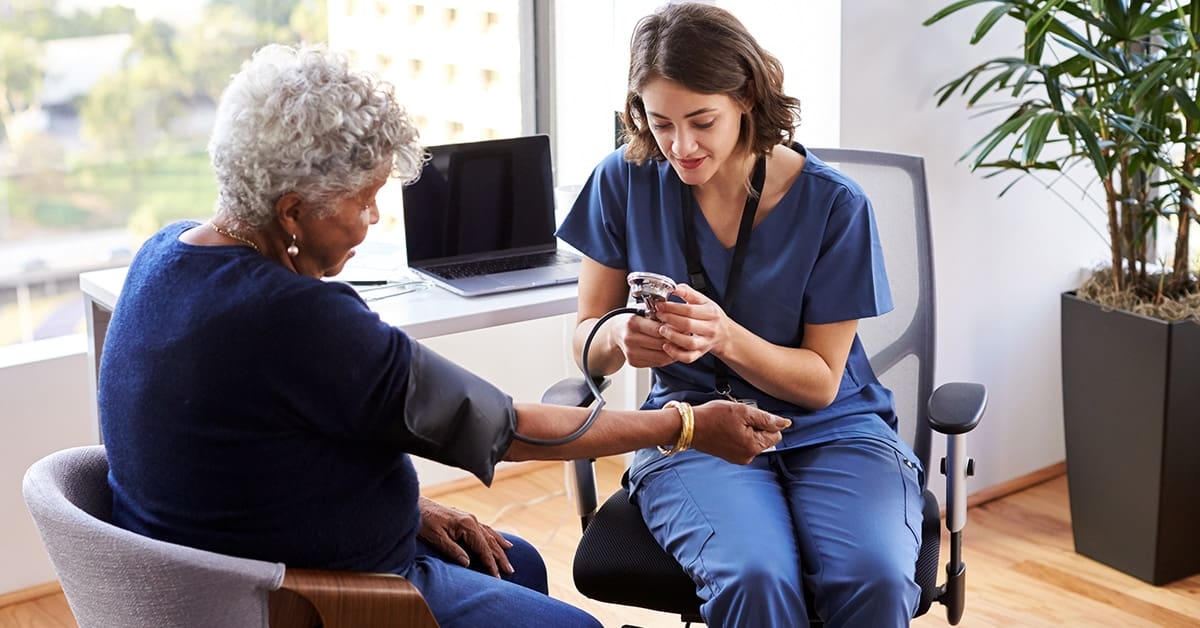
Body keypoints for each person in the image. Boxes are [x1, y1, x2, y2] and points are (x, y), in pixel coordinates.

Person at [97, 43, 788, 628]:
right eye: (363, 200)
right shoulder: (300, 318)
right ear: (292, 211)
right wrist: (682, 426)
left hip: (223, 567)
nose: (373, 219)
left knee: (517, 562)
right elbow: (507, 427)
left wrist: (410, 507)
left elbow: (250, 449)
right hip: (308, 596)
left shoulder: (164, 256)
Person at [556, 4, 925, 627]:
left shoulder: (835, 206)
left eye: (702, 121)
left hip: (832, 427)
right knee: (754, 576)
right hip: (692, 428)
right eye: (660, 122)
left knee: (877, 578)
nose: (681, 145)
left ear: (747, 96)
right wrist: (616, 335)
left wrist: (723, 336)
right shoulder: (624, 180)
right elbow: (585, 338)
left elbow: (820, 381)